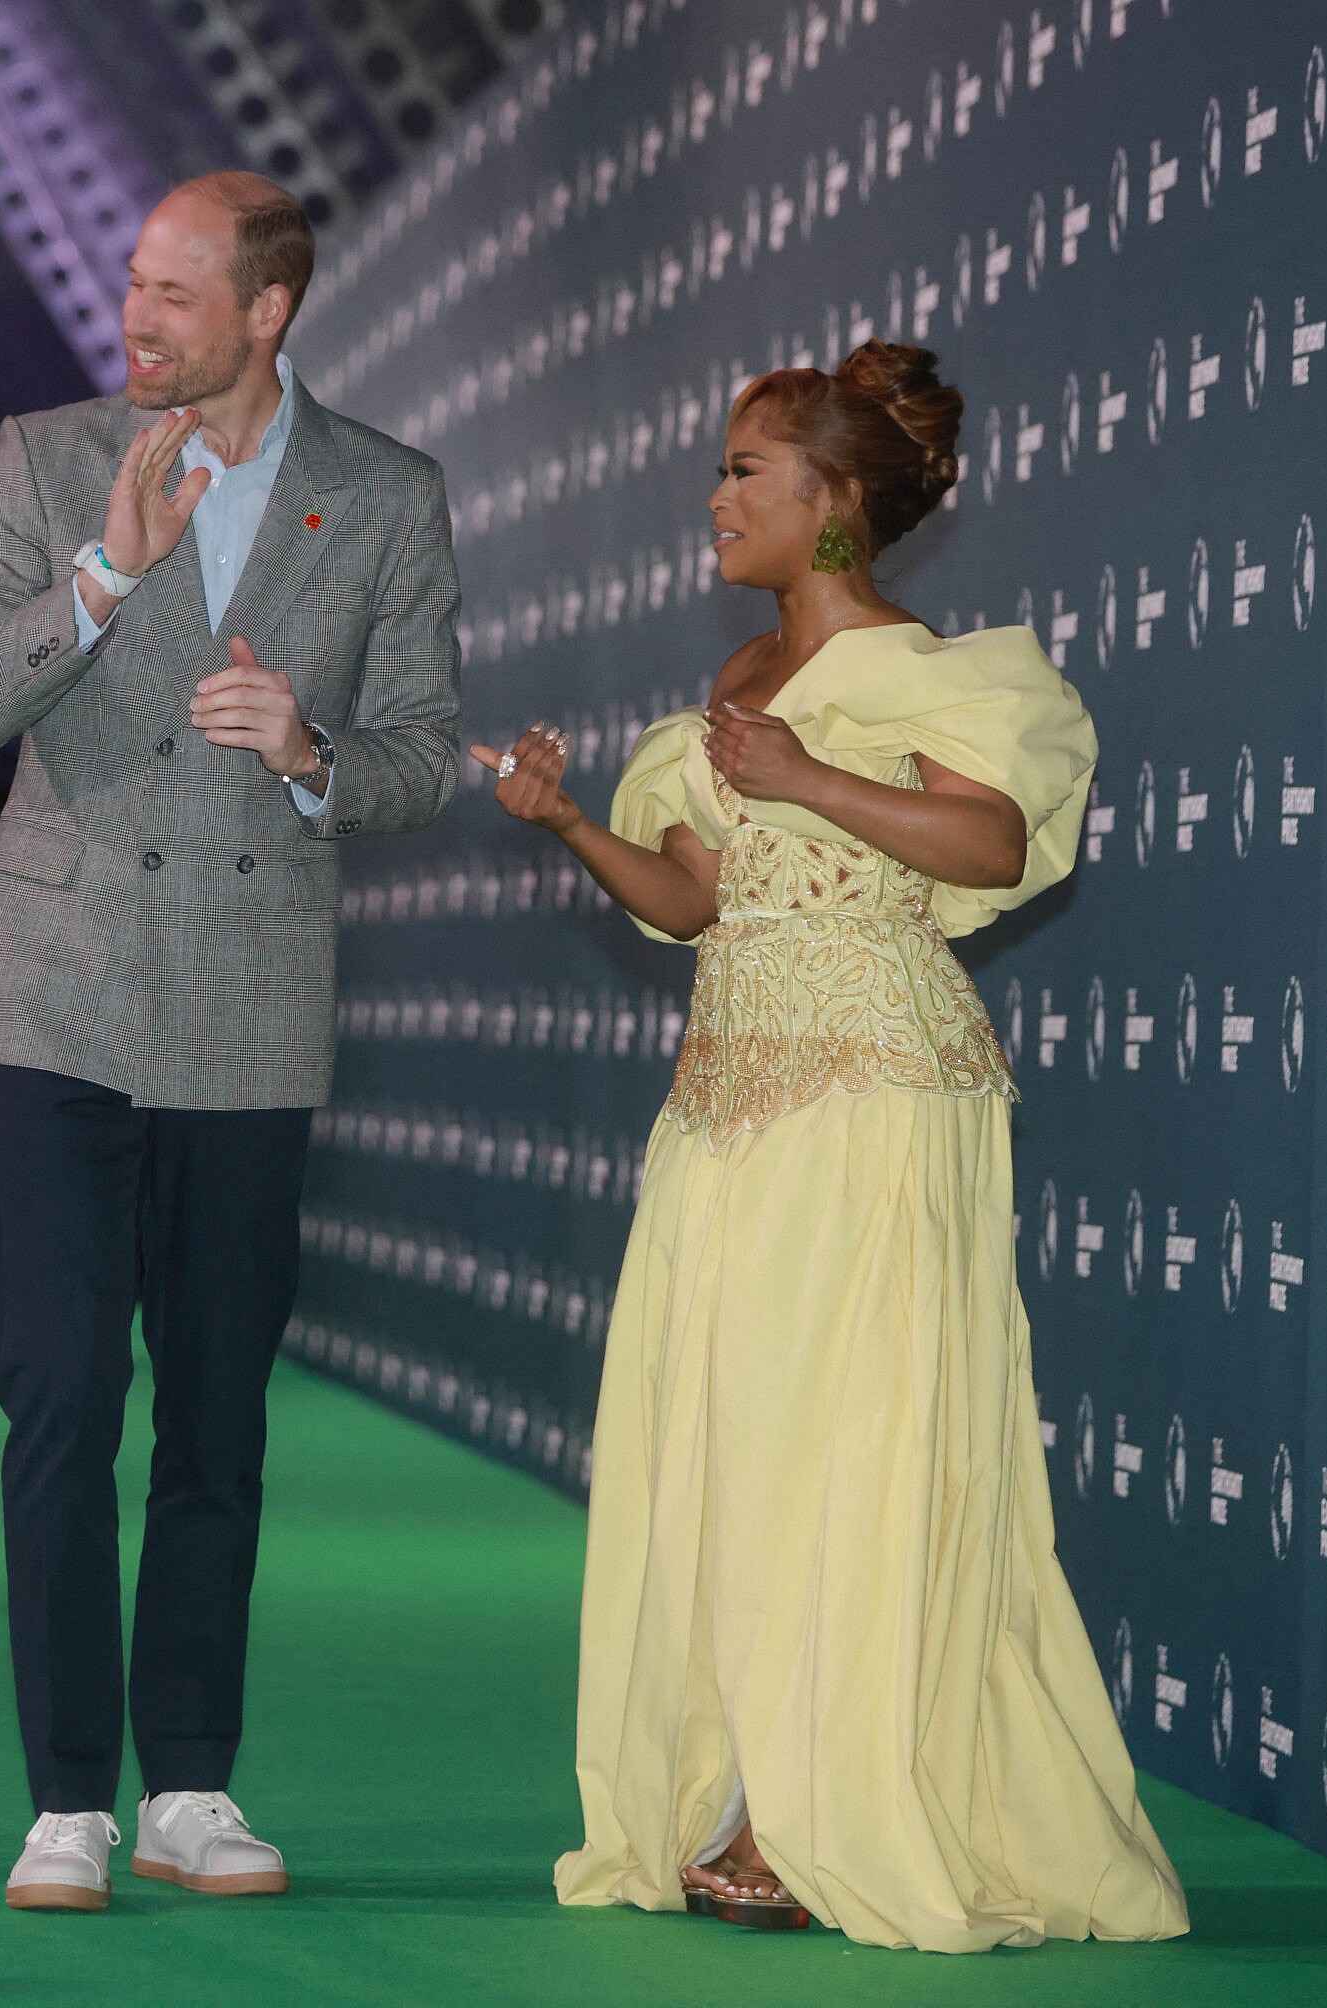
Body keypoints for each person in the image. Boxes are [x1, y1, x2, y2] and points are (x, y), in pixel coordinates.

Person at [479, 342, 1189, 1952]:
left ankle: (813, 1818)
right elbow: (694, 897)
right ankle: (748, 1793)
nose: (715, 499)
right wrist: (572, 822)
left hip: (875, 1097)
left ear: (838, 500)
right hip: (726, 1109)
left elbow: (988, 841)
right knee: (730, 1452)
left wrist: (809, 778)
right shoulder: (736, 675)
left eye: (746, 472)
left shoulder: (931, 676)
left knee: (850, 1452)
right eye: (722, 471)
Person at [0, 171, 463, 1912]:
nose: (135, 317)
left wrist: (312, 751)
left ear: (267, 308)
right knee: (63, 1386)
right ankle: (67, 1797)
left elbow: (422, 753)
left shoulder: (386, 491)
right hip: (61, 978)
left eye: (172, 290)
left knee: (217, 1408)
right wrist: (103, 578)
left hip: (250, 986)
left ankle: (192, 1785)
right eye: (133, 284)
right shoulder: (49, 458)